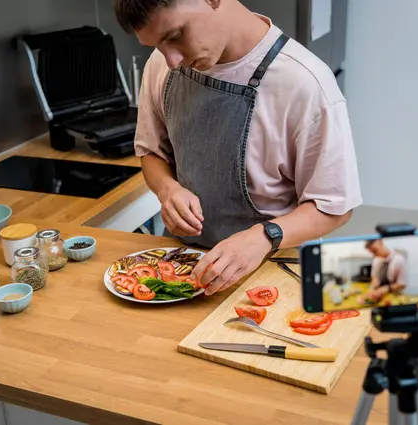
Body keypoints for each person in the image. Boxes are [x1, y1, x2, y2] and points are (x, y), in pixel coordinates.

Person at [112, 0, 362, 295]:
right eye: (156, 46)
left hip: (273, 274)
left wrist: (264, 237)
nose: (172, 60)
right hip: (183, 271)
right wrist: (168, 189)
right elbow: (152, 151)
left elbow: (333, 207)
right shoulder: (163, 64)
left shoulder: (304, 83)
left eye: (175, 35)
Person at [360, 239, 408, 304]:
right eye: (371, 253)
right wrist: (375, 280)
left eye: (375, 251)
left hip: (394, 296)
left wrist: (386, 288)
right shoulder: (376, 260)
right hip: (379, 295)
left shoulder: (399, 260)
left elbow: (402, 284)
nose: (374, 255)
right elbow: (374, 275)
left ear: (380, 242)